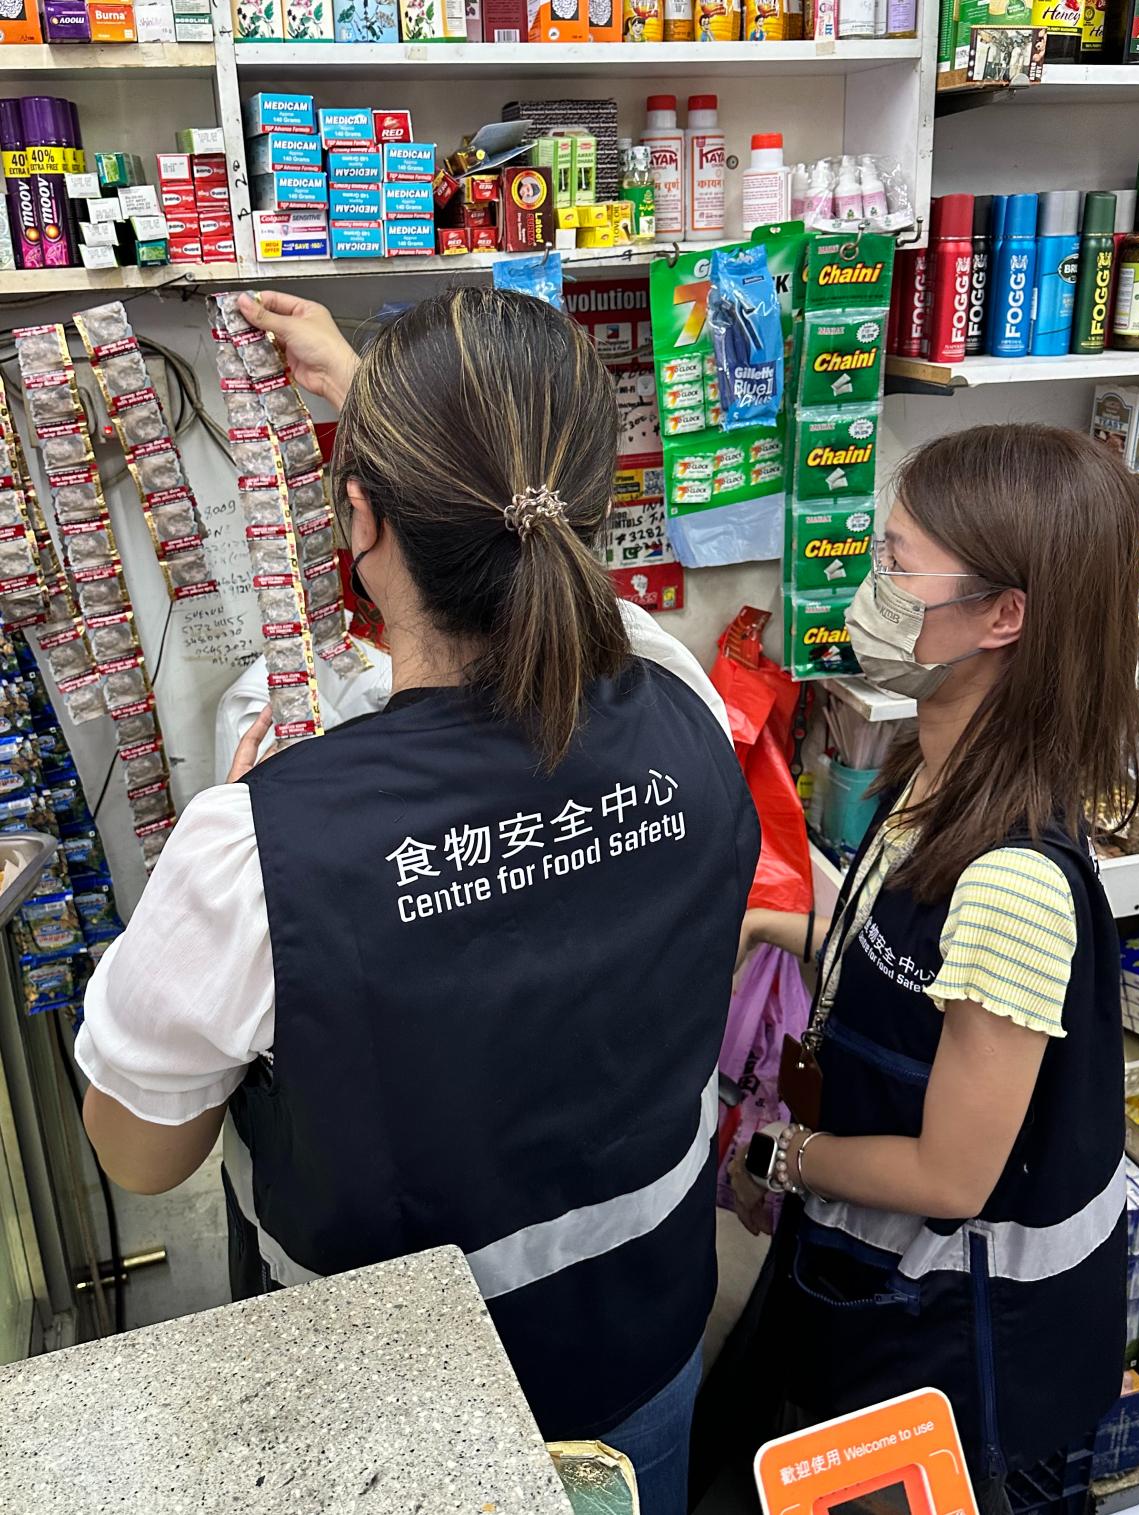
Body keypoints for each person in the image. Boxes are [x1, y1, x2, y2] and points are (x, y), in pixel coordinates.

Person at [76, 286, 760, 1514]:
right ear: (593, 508)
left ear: (357, 526)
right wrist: (394, 424)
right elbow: (569, 578)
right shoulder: (686, 707)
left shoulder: (262, 847)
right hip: (643, 1354)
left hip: (386, 1428)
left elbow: (138, 1151)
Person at [715, 424, 1139, 1510]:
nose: (870, 587)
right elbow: (903, 971)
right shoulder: (932, 771)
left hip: (961, 1352)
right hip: (870, 1288)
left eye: (898, 566)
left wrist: (780, 1156)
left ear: (1004, 616)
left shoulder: (1012, 881)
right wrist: (769, 922)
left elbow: (954, 1175)